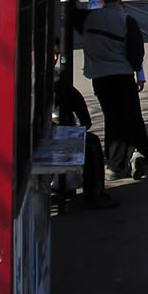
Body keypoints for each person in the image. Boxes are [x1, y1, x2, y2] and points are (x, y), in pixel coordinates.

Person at [81, 0, 148, 180]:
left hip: (99, 77)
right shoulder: (126, 21)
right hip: (122, 77)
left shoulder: (90, 18)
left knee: (112, 117)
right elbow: (136, 54)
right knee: (127, 118)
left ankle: (128, 157)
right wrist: (138, 74)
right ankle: (122, 162)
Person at [53, 39, 118, 209]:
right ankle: (94, 195)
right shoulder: (48, 77)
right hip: (44, 134)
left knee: (87, 139)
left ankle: (67, 186)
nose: (55, 57)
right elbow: (74, 100)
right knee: (91, 144)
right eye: (53, 54)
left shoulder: (47, 74)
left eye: (57, 54)